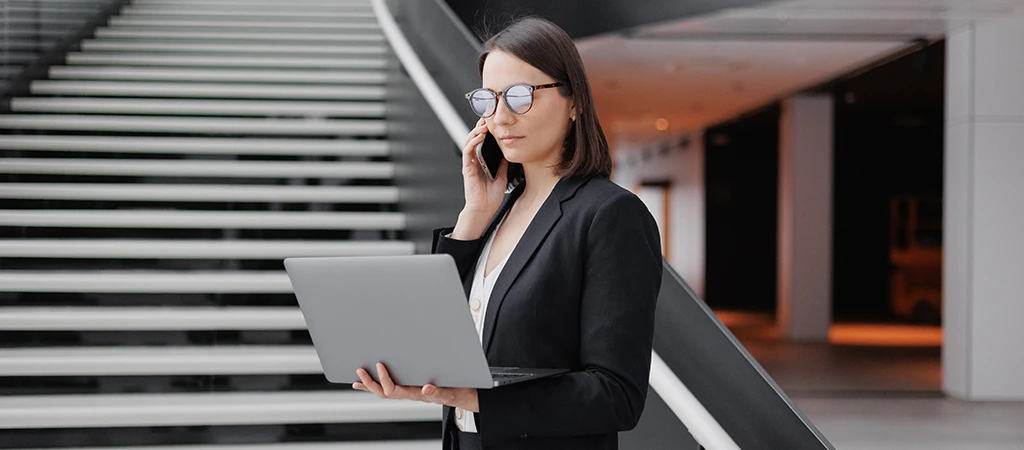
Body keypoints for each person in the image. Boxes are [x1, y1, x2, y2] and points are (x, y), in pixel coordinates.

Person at [352, 16, 663, 450]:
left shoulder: (610, 216)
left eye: (520, 96)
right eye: (488, 99)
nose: (500, 117)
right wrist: (474, 214)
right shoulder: (495, 214)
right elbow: (437, 332)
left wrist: (480, 400)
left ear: (573, 100)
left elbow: (617, 395)